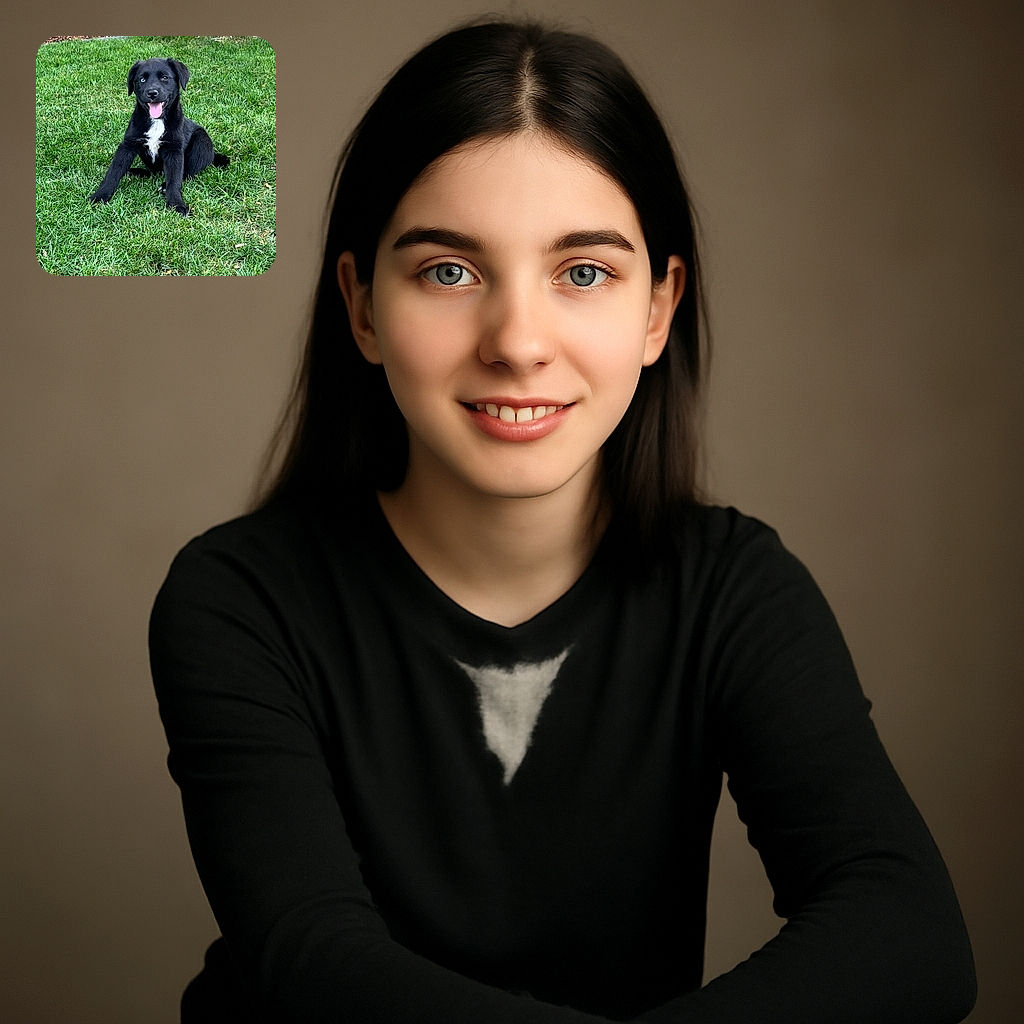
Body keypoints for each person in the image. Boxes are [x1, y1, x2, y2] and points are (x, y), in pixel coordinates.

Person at [149, 19, 976, 1024]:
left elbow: (906, 928)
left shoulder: (731, 587)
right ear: (362, 308)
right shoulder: (243, 598)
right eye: (448, 272)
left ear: (657, 311)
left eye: (583, 272)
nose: (519, 342)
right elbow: (314, 961)